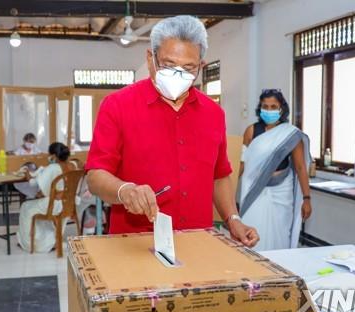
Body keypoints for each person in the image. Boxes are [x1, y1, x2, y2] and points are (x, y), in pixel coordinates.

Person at [86, 15, 259, 247]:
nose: (178, 75)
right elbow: (95, 177)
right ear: (150, 59)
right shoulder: (117, 106)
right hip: (135, 243)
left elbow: (219, 176)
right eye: (168, 65)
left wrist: (233, 218)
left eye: (188, 67)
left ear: (201, 66)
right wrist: (124, 190)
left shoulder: (213, 114)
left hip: (197, 241)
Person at [239, 89, 312, 251]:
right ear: (260, 108)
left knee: (280, 231)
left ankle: (280, 266)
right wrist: (227, 190)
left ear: (281, 109)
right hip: (255, 189)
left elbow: (300, 167)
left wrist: (307, 198)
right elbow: (242, 163)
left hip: (281, 191)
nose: (269, 110)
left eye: (273, 107)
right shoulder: (251, 131)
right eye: (265, 106)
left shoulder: (290, 134)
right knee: (252, 226)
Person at [16, 142, 70, 253]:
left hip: (54, 205)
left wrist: (27, 174)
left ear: (54, 156)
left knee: (26, 207)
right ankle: (48, 240)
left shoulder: (53, 167)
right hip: (67, 203)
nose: (48, 157)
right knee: (36, 205)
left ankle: (29, 244)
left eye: (49, 154)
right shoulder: (68, 166)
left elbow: (33, 184)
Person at [14, 133, 42, 198]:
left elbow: (42, 157)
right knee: (27, 185)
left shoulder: (35, 149)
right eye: (27, 141)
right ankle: (33, 196)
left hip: (35, 173)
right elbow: (15, 162)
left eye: (32, 142)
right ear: (24, 141)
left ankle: (37, 196)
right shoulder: (19, 150)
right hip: (23, 174)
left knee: (39, 183)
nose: (29, 143)